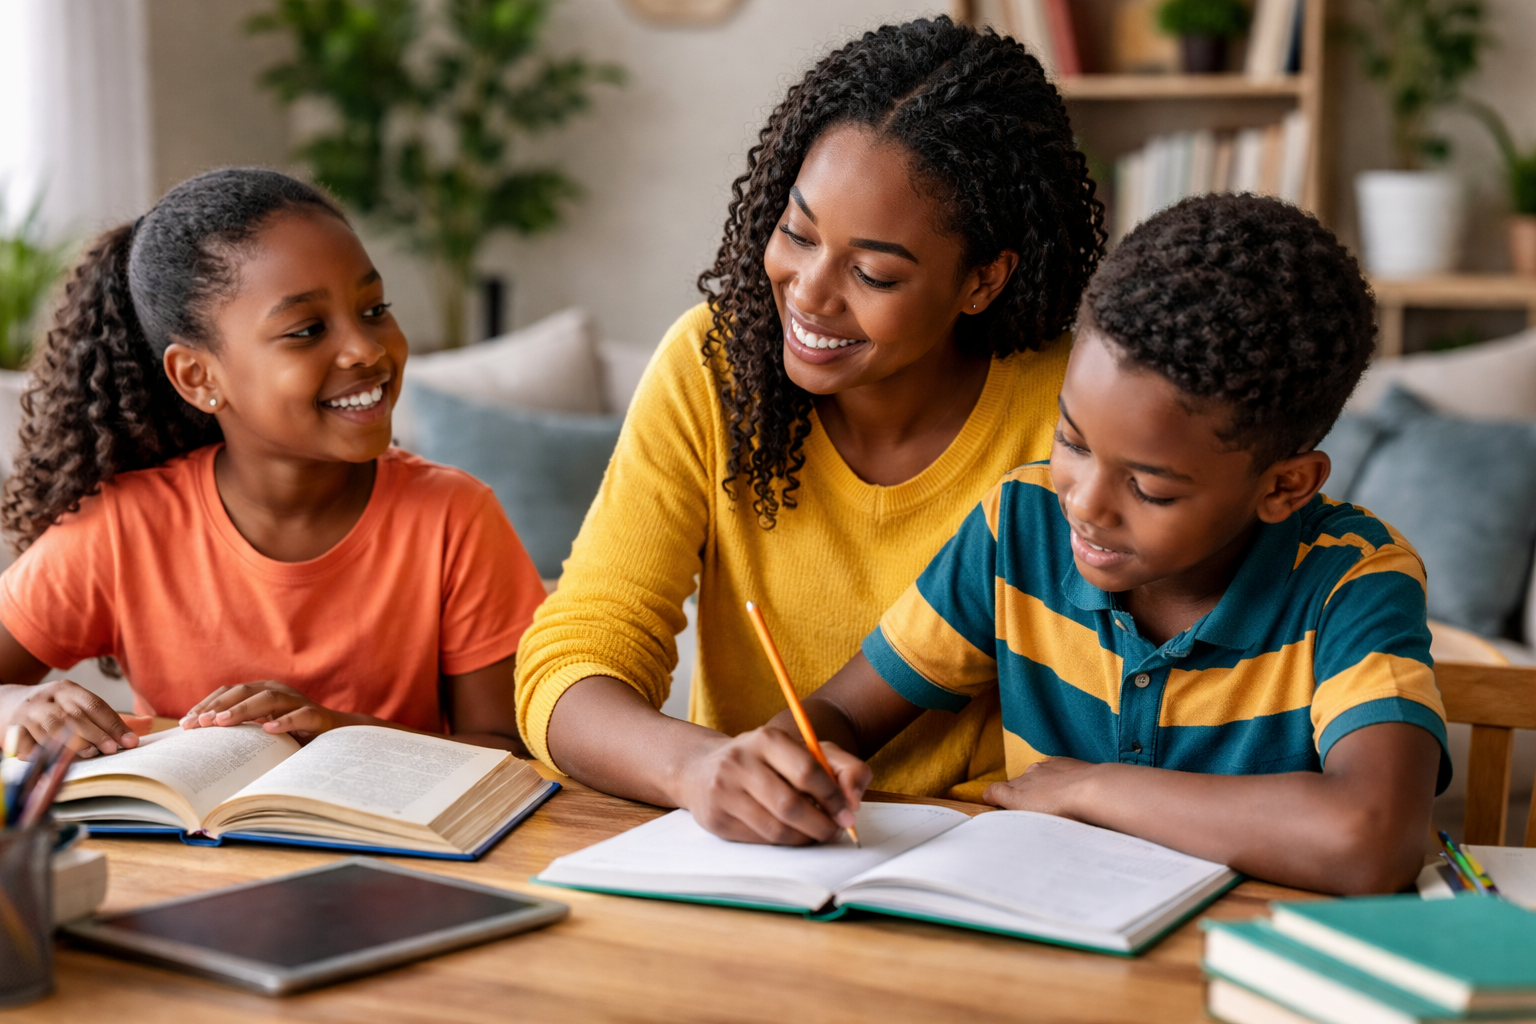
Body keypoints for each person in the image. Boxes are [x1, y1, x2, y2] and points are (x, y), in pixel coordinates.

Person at [725, 194, 1449, 896]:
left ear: (1285, 486)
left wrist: (1095, 788)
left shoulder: (1351, 581)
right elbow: (846, 713)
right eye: (1071, 440)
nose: (1085, 502)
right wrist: (789, 756)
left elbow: (1372, 837)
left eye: (1151, 489)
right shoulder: (1020, 527)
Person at [515, 16, 1105, 821]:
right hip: (759, 855)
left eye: (872, 273)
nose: (809, 292)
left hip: (992, 855)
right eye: (796, 232)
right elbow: (573, 658)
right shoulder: (713, 368)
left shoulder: (1072, 410)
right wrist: (697, 769)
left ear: (983, 280)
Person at [0, 168, 546, 759]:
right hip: (185, 850)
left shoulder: (453, 517)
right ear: (198, 376)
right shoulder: (123, 528)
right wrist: (20, 706)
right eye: (307, 329)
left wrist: (346, 734)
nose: (366, 349)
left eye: (374, 308)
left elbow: (510, 748)